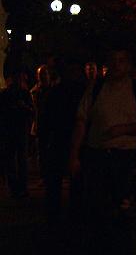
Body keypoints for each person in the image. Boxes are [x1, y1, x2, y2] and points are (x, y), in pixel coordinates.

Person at [69, 48, 136, 254]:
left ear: (128, 65)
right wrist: (74, 155)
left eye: (122, 61)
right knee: (97, 208)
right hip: (98, 155)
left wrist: (124, 129)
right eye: (114, 60)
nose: (118, 65)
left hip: (125, 156)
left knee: (124, 208)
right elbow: (81, 121)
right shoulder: (97, 87)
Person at [43, 60, 86, 226]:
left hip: (60, 139)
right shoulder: (82, 92)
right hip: (71, 139)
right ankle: (73, 216)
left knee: (56, 183)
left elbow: (46, 121)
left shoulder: (56, 92)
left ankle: (55, 217)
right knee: (75, 183)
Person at [0, 70, 34, 198]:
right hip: (11, 130)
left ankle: (20, 187)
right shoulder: (6, 94)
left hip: (19, 130)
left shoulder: (24, 93)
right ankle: (16, 187)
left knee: (20, 159)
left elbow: (31, 111)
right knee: (14, 159)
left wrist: (23, 107)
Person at [30, 64, 52, 182]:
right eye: (40, 74)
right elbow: (35, 110)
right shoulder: (35, 92)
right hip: (41, 124)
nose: (43, 77)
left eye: (44, 74)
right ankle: (44, 176)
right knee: (42, 152)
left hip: (52, 125)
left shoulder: (53, 90)